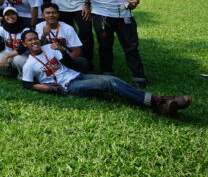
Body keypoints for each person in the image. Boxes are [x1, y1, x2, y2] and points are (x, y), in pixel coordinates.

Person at [20, 30, 191, 117]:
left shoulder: (48, 48)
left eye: (35, 38)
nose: (34, 41)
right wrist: (44, 88)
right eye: (30, 40)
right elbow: (26, 85)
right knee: (110, 83)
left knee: (113, 79)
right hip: (68, 86)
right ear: (25, 44)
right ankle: (158, 102)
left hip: (76, 75)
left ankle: (160, 103)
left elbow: (70, 63)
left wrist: (63, 51)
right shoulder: (29, 64)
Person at [78, 0, 147, 87]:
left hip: (123, 13)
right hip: (101, 15)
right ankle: (107, 72)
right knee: (105, 45)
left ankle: (139, 76)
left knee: (131, 45)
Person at [35, 3, 90, 73]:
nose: (51, 15)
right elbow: (38, 49)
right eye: (48, 13)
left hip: (64, 58)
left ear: (58, 14)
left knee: (83, 61)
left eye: (54, 13)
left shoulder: (68, 28)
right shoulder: (39, 27)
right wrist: (44, 35)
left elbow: (77, 51)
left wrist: (62, 61)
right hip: (46, 59)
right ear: (43, 15)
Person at [0, 7, 29, 77]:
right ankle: (11, 74)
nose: (10, 16)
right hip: (8, 51)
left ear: (17, 15)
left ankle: (23, 75)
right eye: (7, 15)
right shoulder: (3, 28)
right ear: (4, 17)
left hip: (22, 54)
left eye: (13, 14)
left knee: (17, 60)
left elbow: (23, 48)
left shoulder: (25, 28)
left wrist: (6, 57)